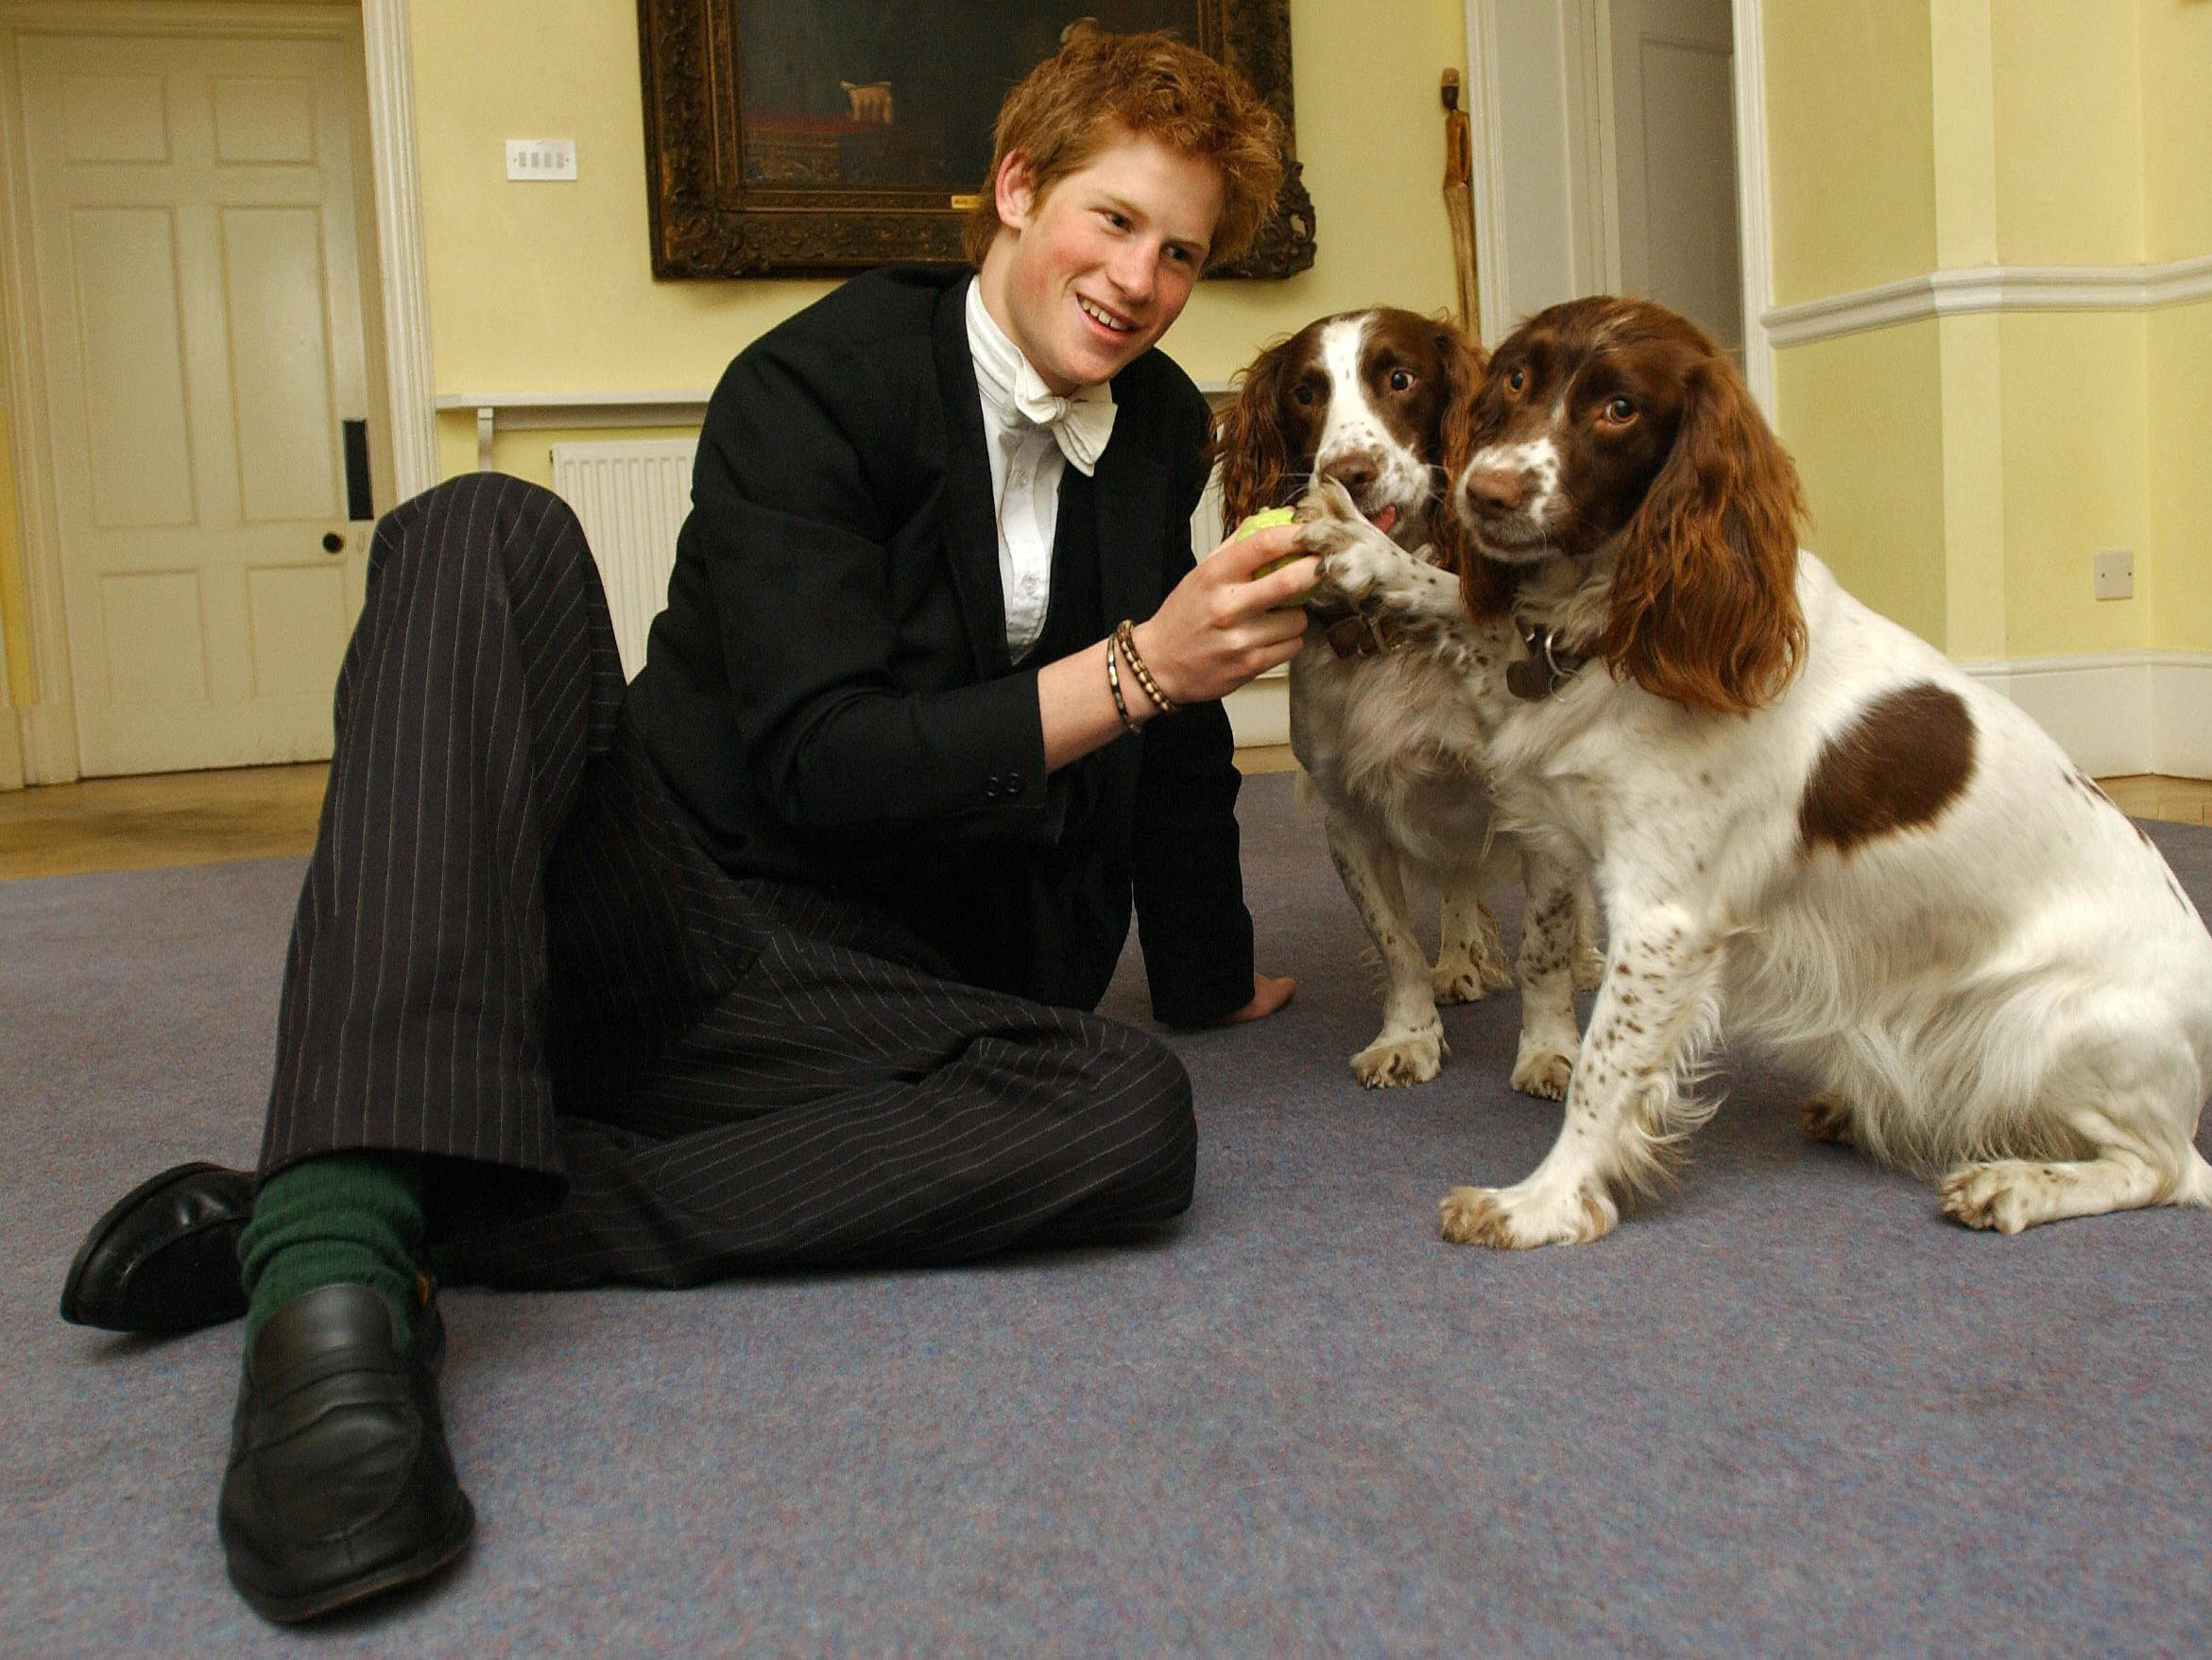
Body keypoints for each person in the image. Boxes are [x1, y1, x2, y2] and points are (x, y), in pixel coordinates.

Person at [56, 29, 1315, 1624]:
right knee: (480, 527)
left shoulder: (1155, 434)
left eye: (1184, 252)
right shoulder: (814, 380)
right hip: (671, 908)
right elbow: (824, 761)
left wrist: (1203, 968)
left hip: (882, 996)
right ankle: (328, 1272)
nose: (1140, 278)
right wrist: (1137, 667)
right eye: (1113, 219)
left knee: (1132, 1117)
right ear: (1014, 190)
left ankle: (446, 1197)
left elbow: (1178, 731)